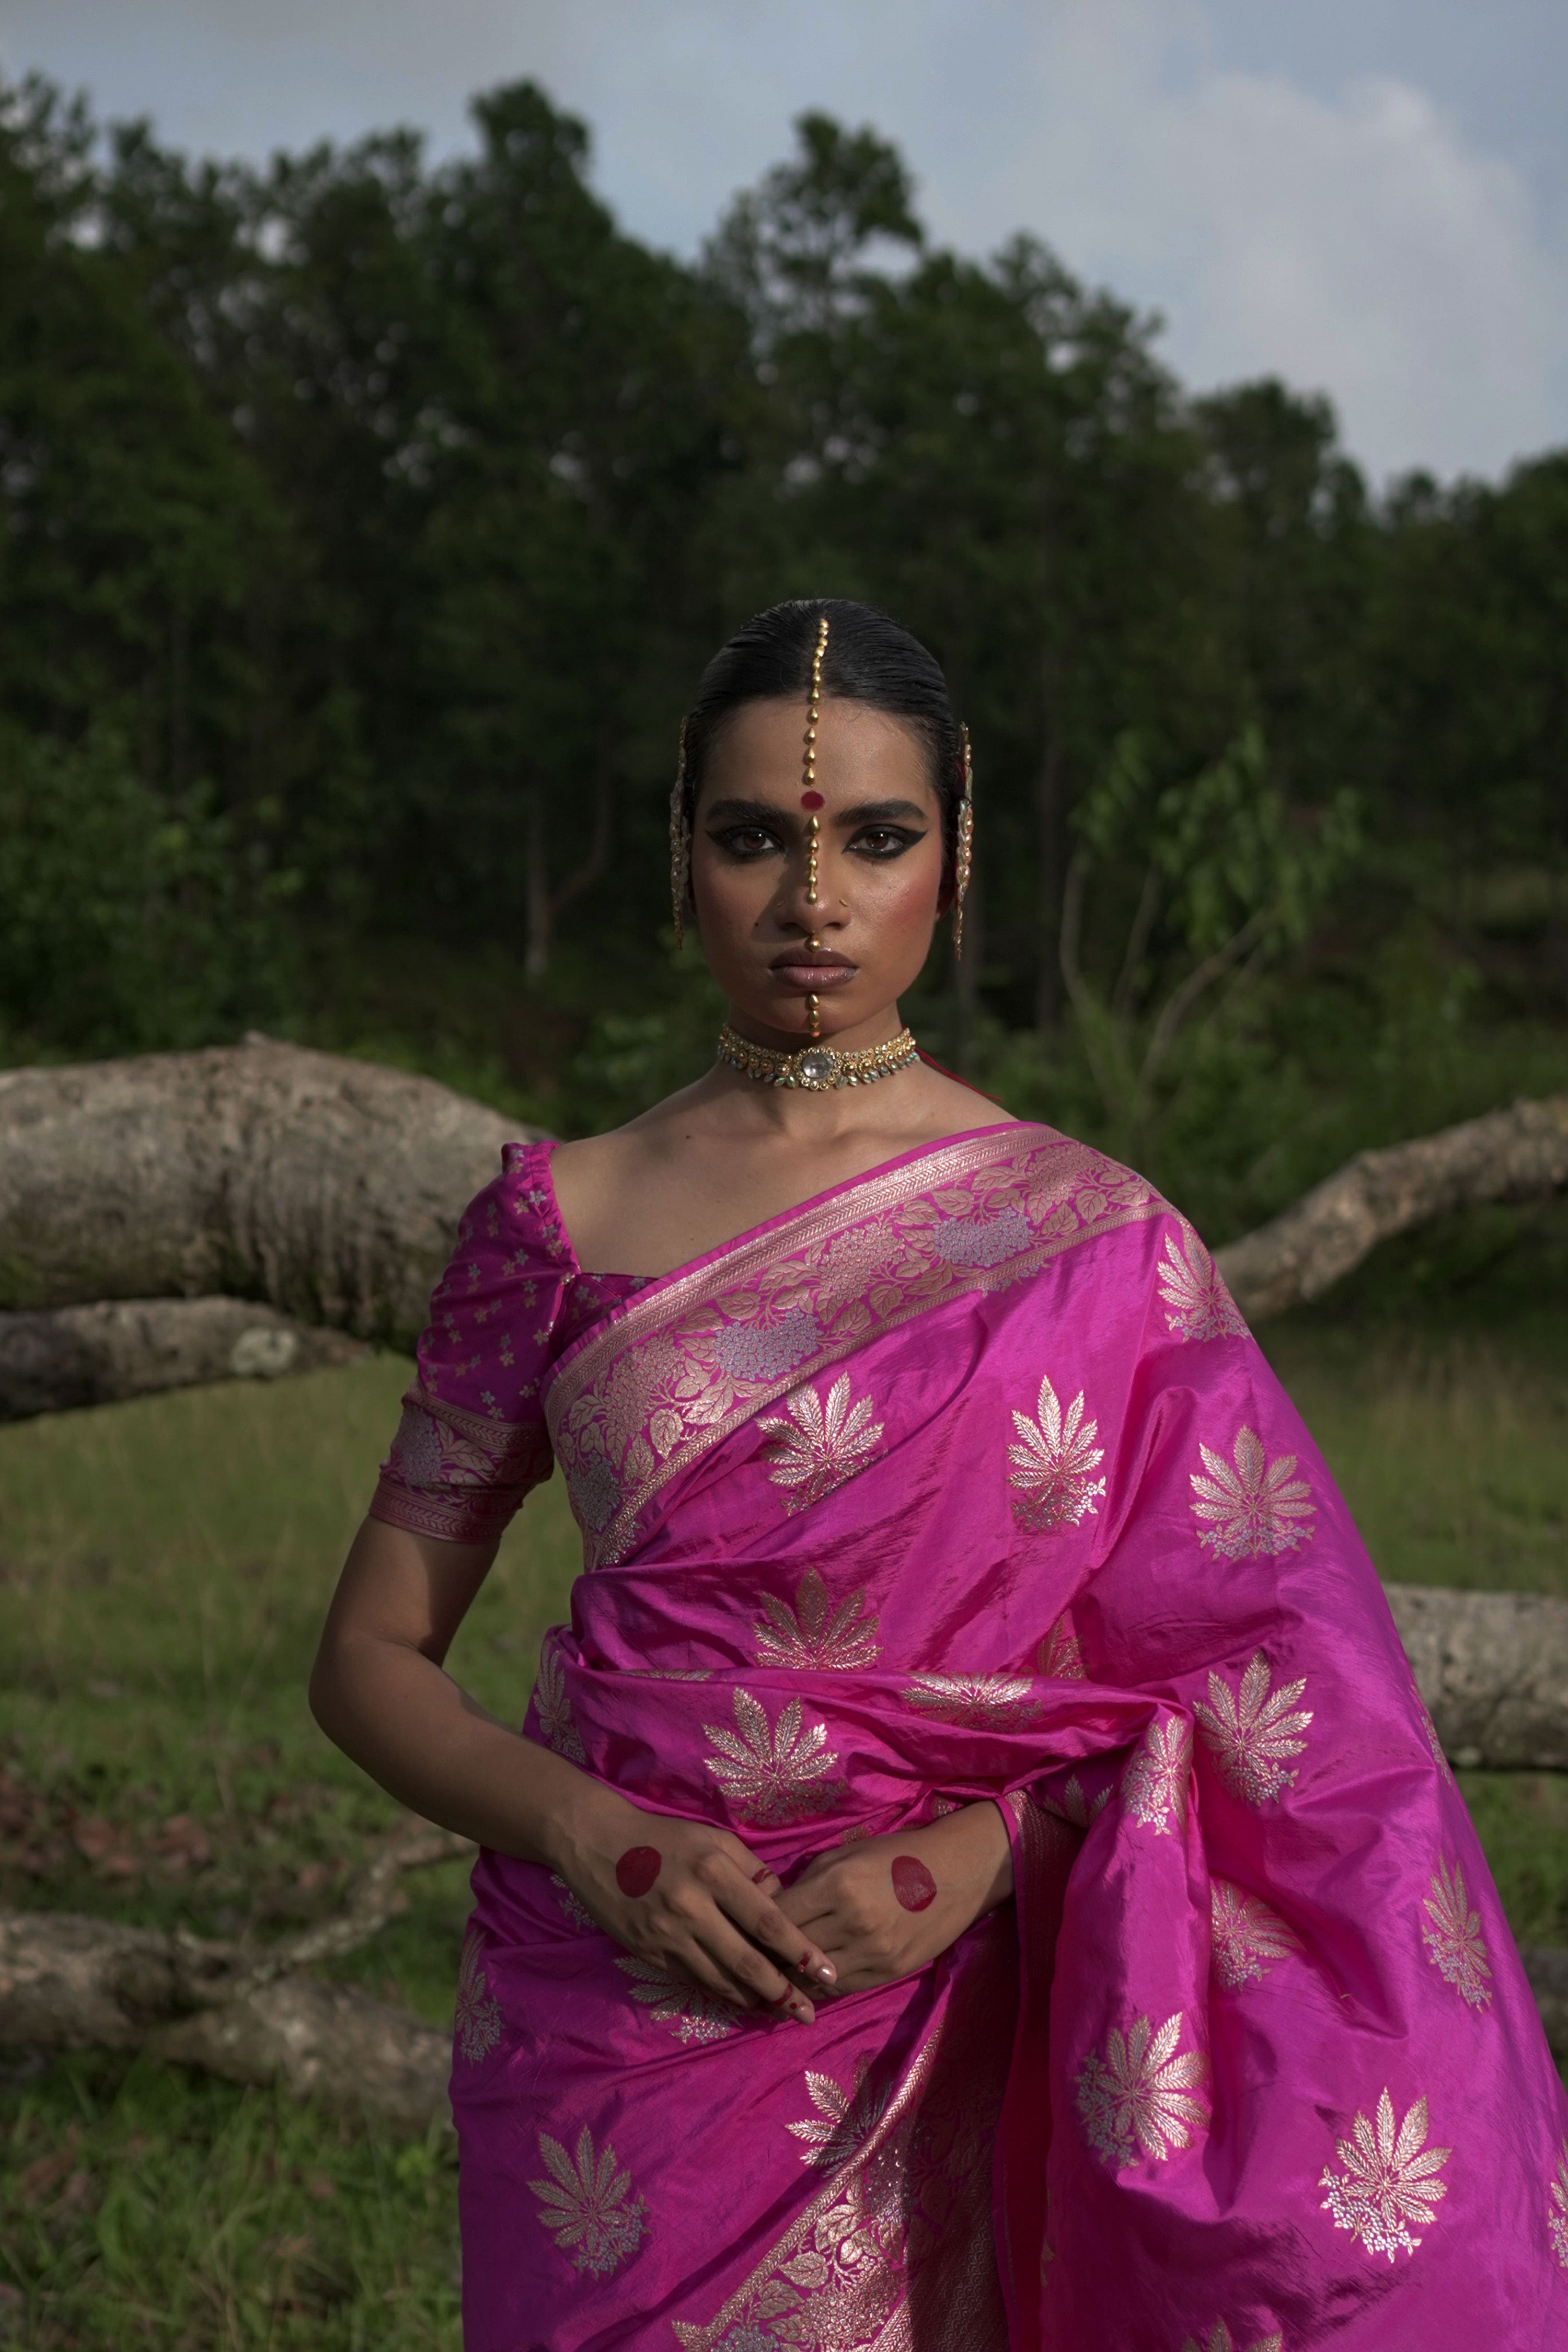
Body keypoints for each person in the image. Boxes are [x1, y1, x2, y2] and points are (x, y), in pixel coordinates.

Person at [310, 598, 1566, 2351]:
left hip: (962, 1998)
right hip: (617, 2016)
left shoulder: (1093, 1236)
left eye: (876, 838)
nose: (812, 899)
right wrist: (597, 1835)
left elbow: (1271, 1691)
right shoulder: (554, 1223)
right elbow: (369, 1652)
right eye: (754, 837)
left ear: (955, 855)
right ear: (681, 853)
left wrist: (980, 1855)